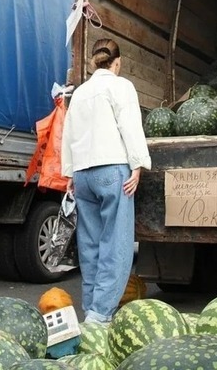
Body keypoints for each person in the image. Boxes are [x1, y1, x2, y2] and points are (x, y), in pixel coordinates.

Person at [60, 38, 151, 324]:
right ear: (117, 62)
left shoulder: (81, 92)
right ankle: (101, 314)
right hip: (112, 171)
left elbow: (69, 133)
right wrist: (138, 164)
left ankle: (91, 307)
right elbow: (130, 125)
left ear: (94, 61)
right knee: (117, 243)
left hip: (83, 175)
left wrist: (69, 172)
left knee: (90, 244)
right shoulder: (120, 86)